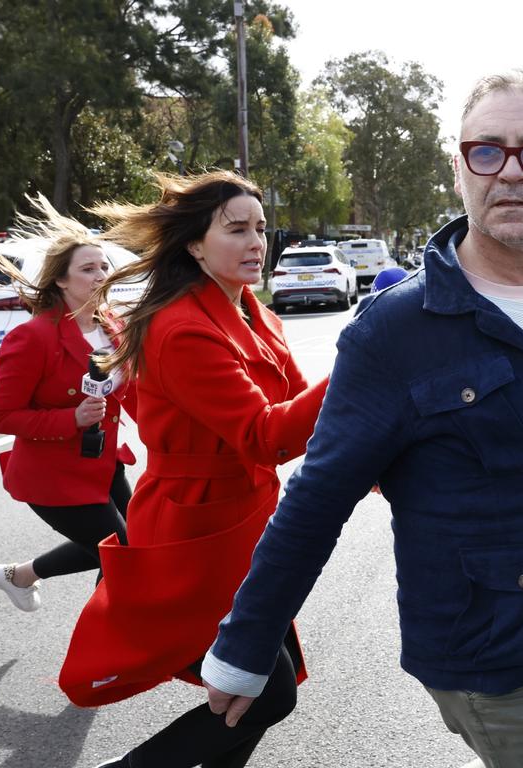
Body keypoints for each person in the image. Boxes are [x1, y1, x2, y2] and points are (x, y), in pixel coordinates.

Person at [201, 68, 523, 768]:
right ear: (459, 169)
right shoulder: (395, 332)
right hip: (498, 649)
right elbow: (317, 498)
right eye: (487, 151)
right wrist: (245, 645)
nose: (511, 172)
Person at [54, 171, 328, 768]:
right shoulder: (182, 327)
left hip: (249, 524)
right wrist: (361, 368)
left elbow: (306, 411)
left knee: (251, 685)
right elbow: (266, 435)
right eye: (236, 229)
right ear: (195, 245)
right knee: (264, 690)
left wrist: (376, 458)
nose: (256, 242)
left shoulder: (255, 311)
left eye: (260, 228)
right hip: (196, 531)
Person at [0, 196, 136, 612]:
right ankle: (107, 655)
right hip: (53, 477)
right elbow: (0, 415)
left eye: (104, 265)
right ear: (61, 282)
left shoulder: (113, 327)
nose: (100, 274)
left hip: (104, 463)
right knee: (123, 555)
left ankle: (19, 575)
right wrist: (71, 417)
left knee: (136, 544)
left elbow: (135, 392)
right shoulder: (34, 337)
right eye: (88, 269)